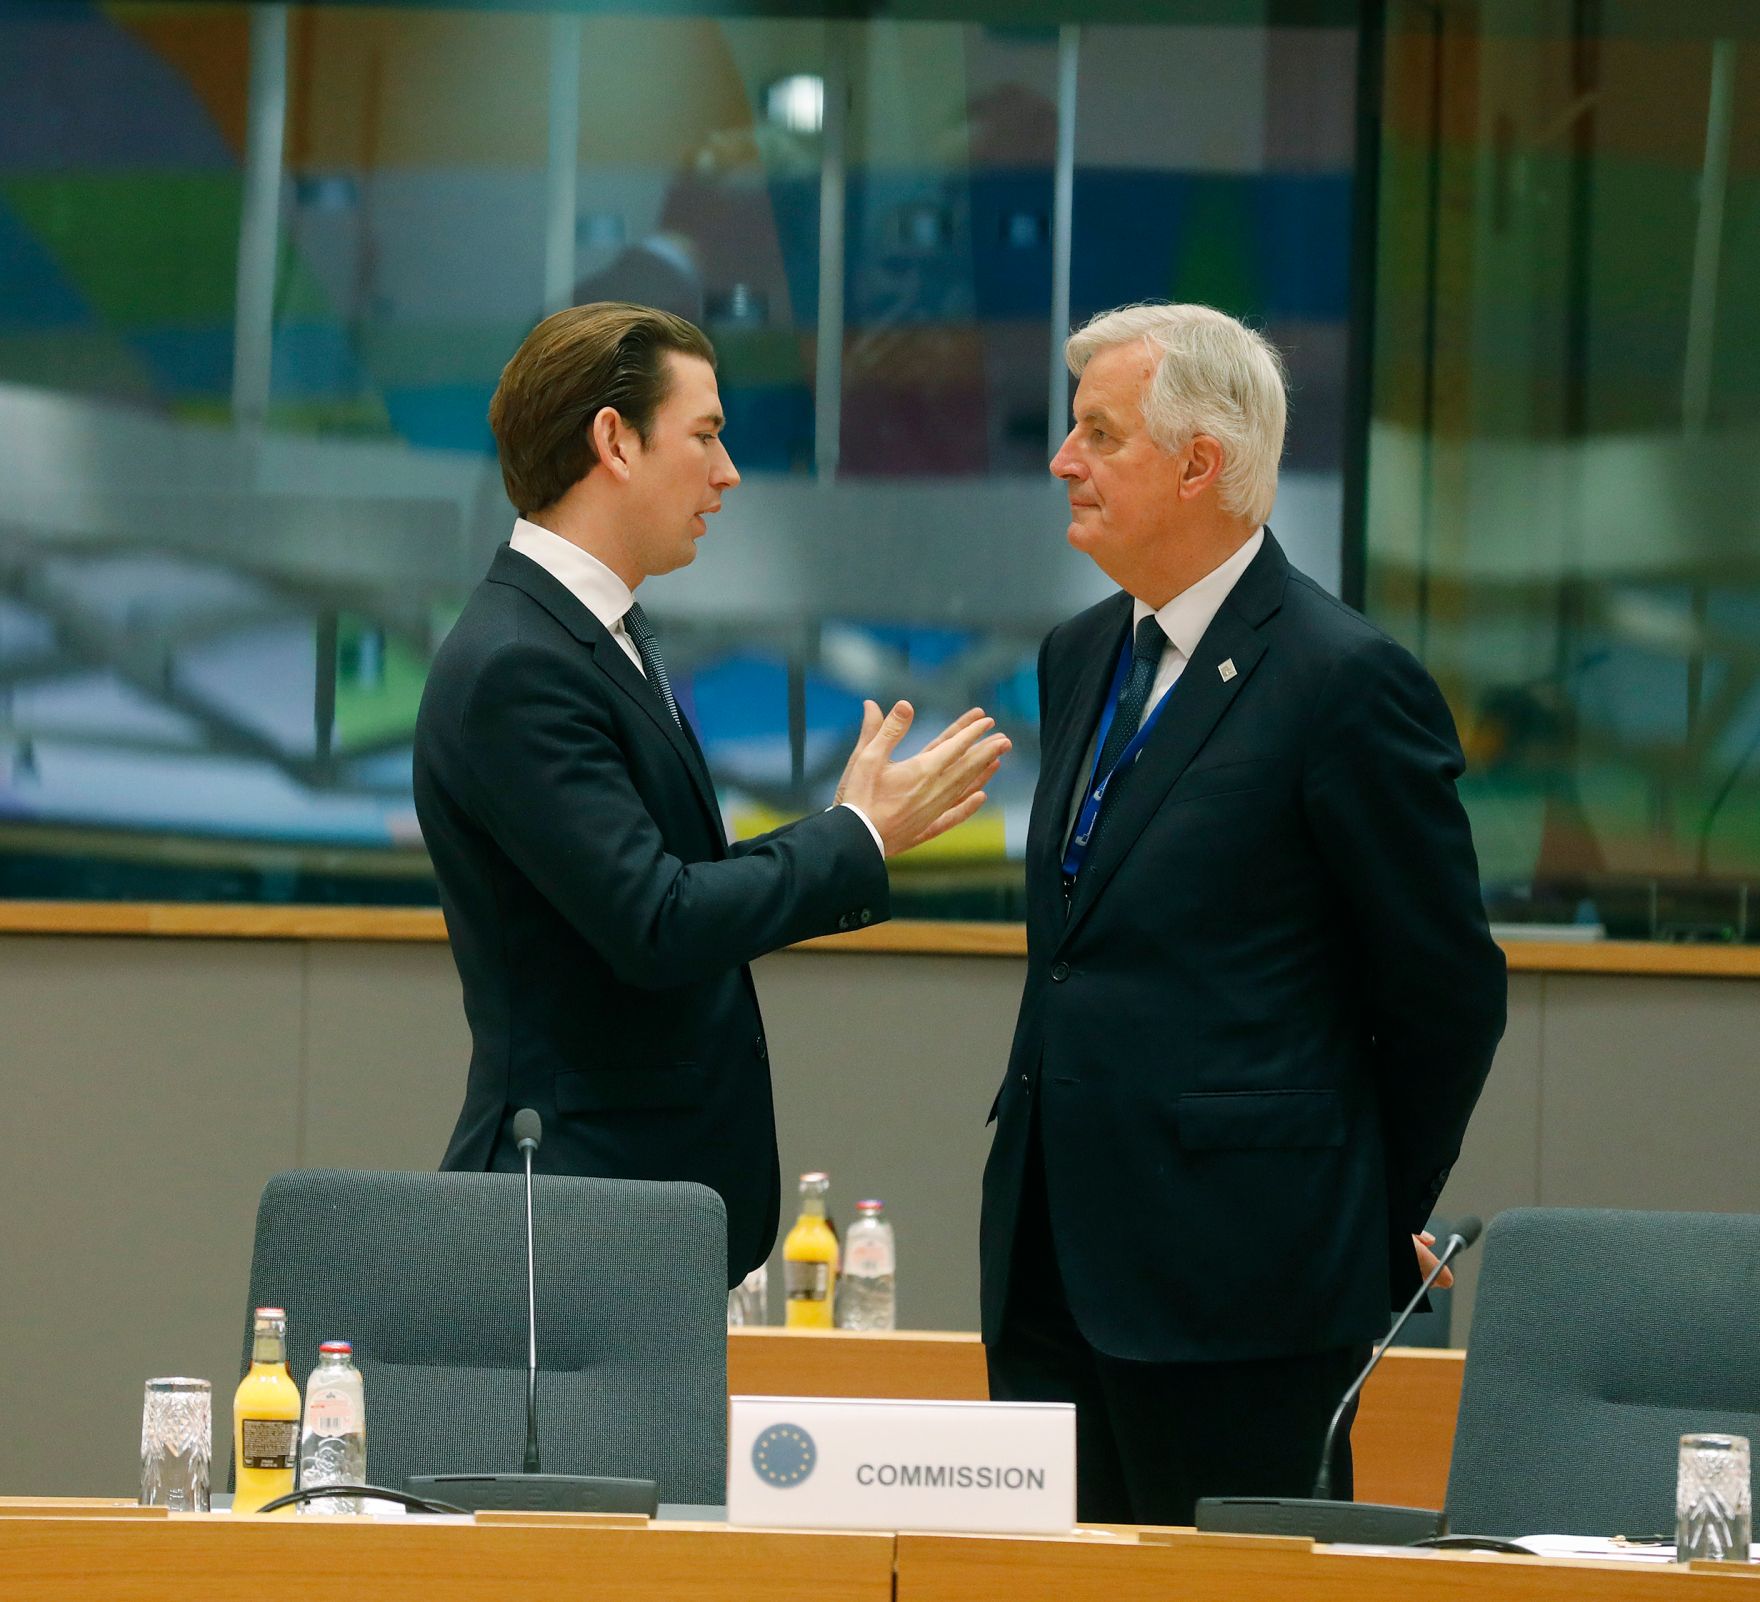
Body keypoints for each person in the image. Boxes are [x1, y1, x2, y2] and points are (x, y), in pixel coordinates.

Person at [978, 302, 1506, 1524]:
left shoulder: (1341, 682)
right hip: (1052, 1270)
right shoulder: (1077, 657)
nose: (1062, 460)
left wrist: (1362, 1218)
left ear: (1197, 463)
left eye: (1096, 434)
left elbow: (1443, 993)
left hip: (1248, 1290)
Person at [415, 302, 1009, 1285]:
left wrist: (846, 834)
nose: (727, 473)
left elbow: (663, 885)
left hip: (623, 1216)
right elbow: (655, 921)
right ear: (613, 440)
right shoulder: (518, 665)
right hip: (568, 1224)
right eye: (705, 436)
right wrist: (854, 837)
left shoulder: (599, 635)